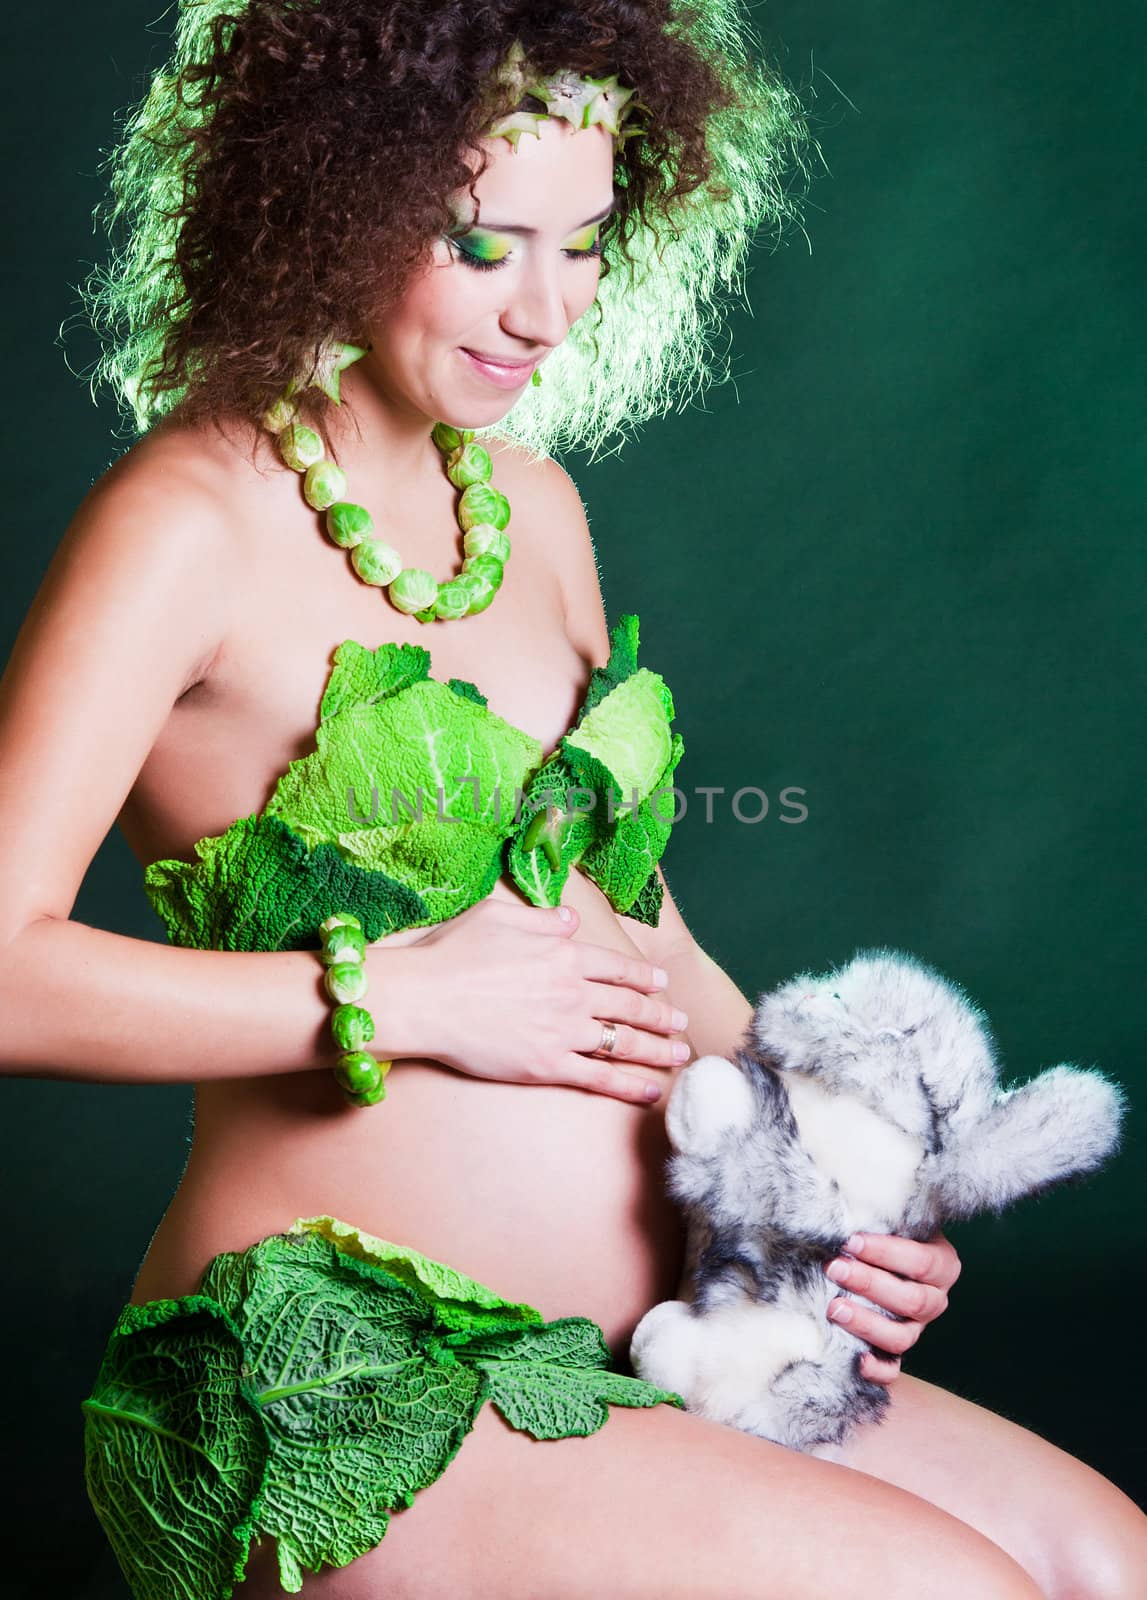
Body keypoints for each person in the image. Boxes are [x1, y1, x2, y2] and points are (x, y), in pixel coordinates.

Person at [1, 2, 1143, 1596]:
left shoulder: (531, 507)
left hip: (647, 1340)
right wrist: (396, 997)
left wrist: (825, 1190)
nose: (546, 311)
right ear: (331, 206)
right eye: (481, 245)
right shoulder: (187, 518)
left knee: (1114, 1565)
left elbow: (627, 914)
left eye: (587, 244)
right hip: (340, 1380)